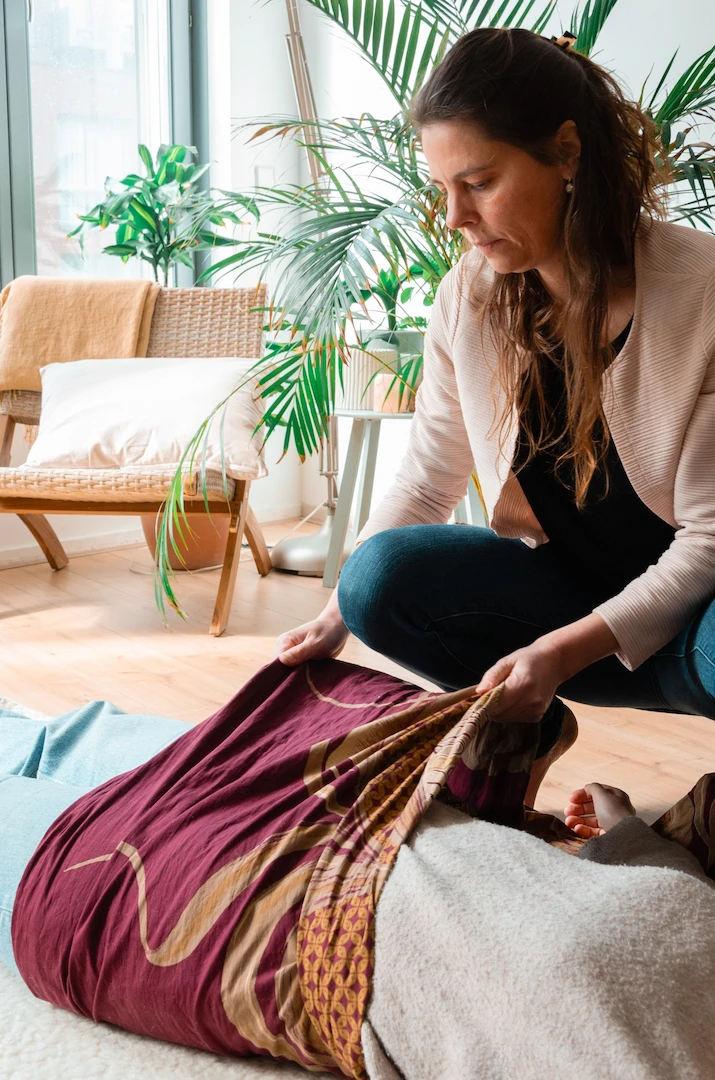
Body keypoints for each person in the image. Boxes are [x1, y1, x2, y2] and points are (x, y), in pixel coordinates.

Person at [274, 27, 715, 804]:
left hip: (695, 633)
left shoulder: (703, 292)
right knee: (376, 576)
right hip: (570, 596)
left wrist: (559, 653)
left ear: (567, 152)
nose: (453, 216)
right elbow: (424, 481)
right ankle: (526, 734)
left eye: (477, 181)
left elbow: (711, 539)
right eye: (443, 187)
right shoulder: (468, 300)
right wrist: (335, 610)